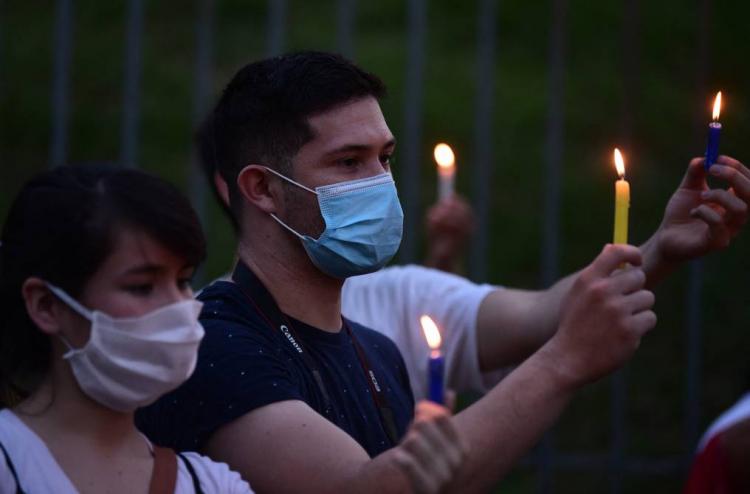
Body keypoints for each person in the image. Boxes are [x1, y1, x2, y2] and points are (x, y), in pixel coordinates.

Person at [138, 51, 748, 493]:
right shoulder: (213, 345)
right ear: (263, 190)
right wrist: (564, 362)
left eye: (385, 158)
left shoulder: (378, 349)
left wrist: (663, 248)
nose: (379, 184)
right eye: (348, 162)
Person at [0, 165, 253, 493]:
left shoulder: (212, 484)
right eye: (142, 287)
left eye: (183, 281)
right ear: (46, 305)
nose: (178, 306)